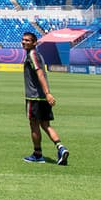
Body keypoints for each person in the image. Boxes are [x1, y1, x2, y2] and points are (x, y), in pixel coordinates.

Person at [22, 31, 67, 165]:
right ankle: (61, 148)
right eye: (23, 40)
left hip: (35, 97)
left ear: (35, 43)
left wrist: (47, 93)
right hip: (42, 97)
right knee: (46, 125)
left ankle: (37, 154)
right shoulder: (38, 55)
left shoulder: (32, 55)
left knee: (34, 125)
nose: (24, 42)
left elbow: (40, 74)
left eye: (28, 40)